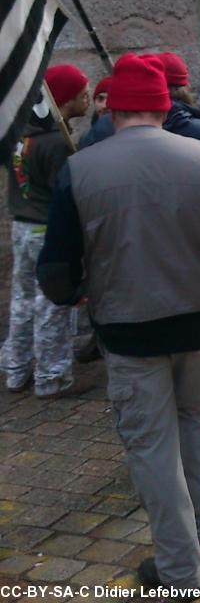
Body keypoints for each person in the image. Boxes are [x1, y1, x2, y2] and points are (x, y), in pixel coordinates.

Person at [36, 53, 200, 593]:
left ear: (112, 108)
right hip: (199, 322)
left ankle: (179, 569)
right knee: (195, 421)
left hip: (129, 327)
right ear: (164, 107)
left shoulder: (82, 167)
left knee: (151, 445)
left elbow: (55, 269)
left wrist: (71, 293)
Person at [1, 65, 90, 396]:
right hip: (46, 230)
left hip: (22, 226)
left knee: (22, 299)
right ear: (64, 101)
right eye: (82, 94)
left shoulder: (21, 136)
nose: (88, 98)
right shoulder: (56, 143)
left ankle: (16, 368)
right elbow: (66, 193)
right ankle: (51, 378)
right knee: (51, 302)